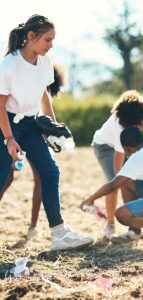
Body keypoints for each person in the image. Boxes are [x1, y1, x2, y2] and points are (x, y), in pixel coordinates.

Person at [0, 14, 93, 251]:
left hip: (31, 124)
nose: (51, 45)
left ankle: (59, 234)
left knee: (50, 172)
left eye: (53, 40)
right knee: (2, 178)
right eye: (47, 40)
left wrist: (53, 125)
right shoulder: (9, 65)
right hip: (7, 123)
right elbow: (0, 105)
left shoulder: (45, 61)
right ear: (31, 37)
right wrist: (9, 139)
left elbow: (43, 92)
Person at [92, 90, 143, 239]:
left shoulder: (139, 113)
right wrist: (125, 179)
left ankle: (141, 223)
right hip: (105, 147)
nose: (141, 126)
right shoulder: (120, 130)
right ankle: (111, 224)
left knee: (139, 180)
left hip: (126, 144)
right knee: (115, 183)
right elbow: (118, 172)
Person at [0, 65, 65, 240]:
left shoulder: (40, 81)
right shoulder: (17, 73)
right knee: (11, 177)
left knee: (42, 176)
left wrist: (53, 129)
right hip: (16, 131)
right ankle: (33, 226)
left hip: (30, 133)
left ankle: (34, 227)